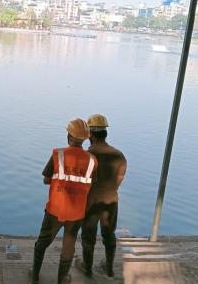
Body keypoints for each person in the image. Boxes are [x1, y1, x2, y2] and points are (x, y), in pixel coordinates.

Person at [30, 118, 98, 284]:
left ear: (69, 136)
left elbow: (46, 179)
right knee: (69, 246)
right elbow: (91, 183)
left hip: (55, 209)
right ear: (85, 139)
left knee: (42, 242)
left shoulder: (58, 154)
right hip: (76, 213)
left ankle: (35, 276)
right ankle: (62, 279)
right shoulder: (92, 161)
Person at [76, 114, 127, 278]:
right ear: (105, 133)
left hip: (91, 201)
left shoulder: (86, 156)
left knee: (88, 235)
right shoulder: (119, 155)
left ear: (90, 134)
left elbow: (81, 183)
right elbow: (119, 180)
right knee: (109, 234)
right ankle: (110, 268)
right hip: (111, 200)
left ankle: (87, 268)